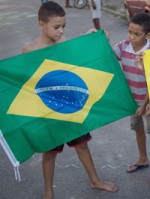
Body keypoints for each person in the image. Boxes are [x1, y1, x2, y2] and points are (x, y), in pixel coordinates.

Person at [21, 2, 118, 199]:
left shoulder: (64, 43)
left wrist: (93, 38)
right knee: (49, 153)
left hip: (70, 107)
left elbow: (80, 57)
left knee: (82, 145)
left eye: (64, 26)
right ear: (42, 24)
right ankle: (49, 191)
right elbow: (23, 83)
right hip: (47, 110)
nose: (61, 30)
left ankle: (95, 180)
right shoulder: (29, 50)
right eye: (56, 27)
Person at [112, 12, 150, 189]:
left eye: (136, 34)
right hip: (132, 101)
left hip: (149, 102)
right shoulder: (123, 46)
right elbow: (106, 54)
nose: (131, 37)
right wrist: (101, 38)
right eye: (129, 32)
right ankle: (142, 158)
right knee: (138, 129)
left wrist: (145, 104)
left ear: (147, 35)